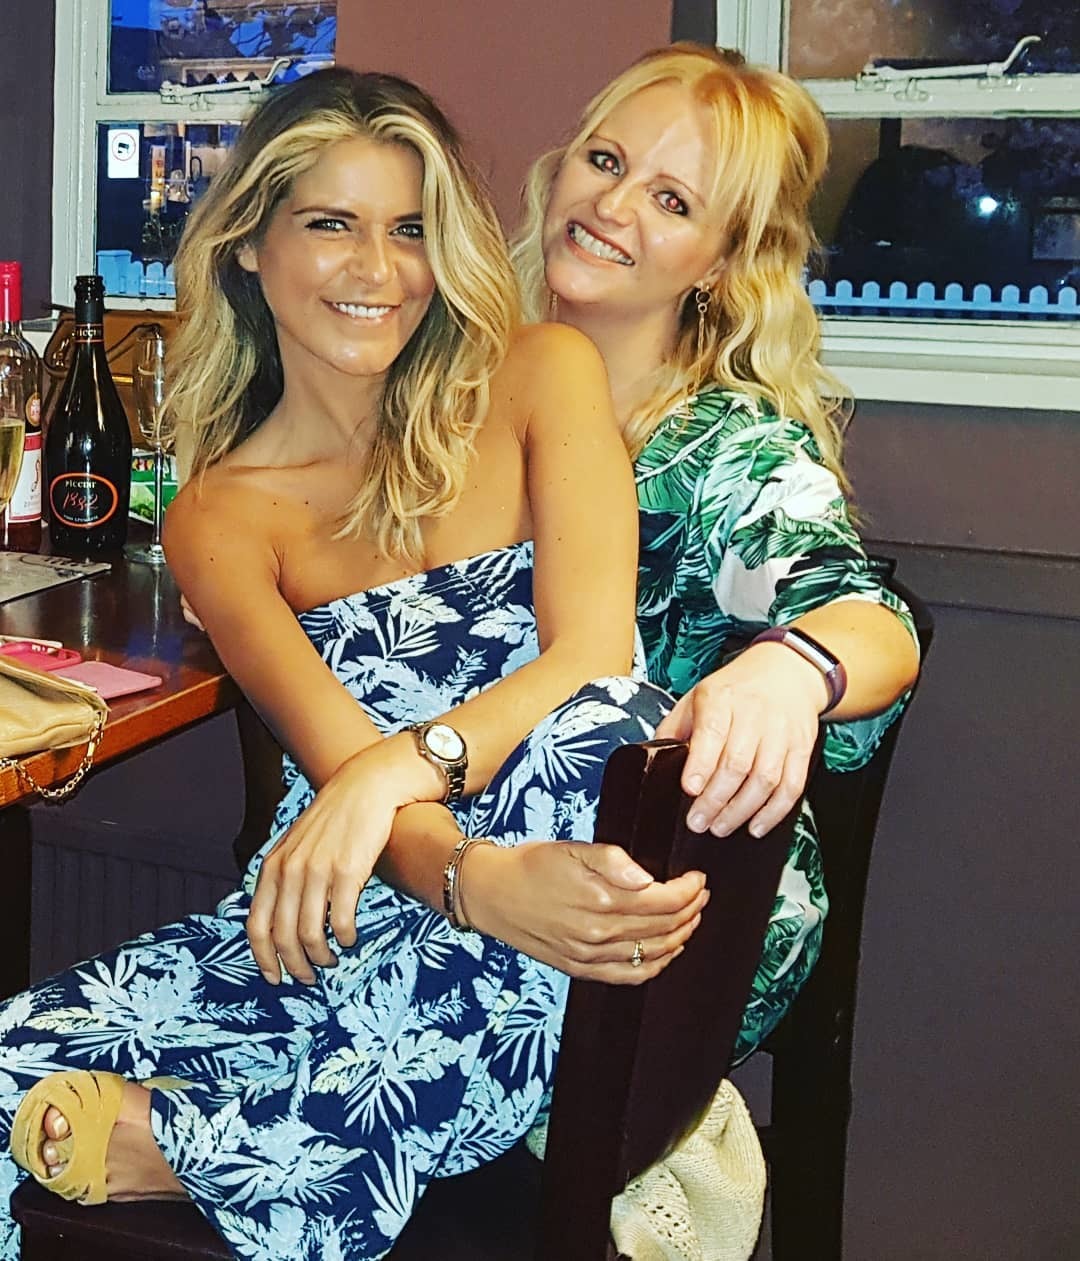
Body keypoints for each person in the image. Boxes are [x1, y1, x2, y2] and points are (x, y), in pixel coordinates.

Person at [0, 69, 699, 1260]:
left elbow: (590, 654)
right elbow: (337, 771)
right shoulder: (222, 513)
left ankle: (217, 1146)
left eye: (410, 229)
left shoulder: (542, 373)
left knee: (604, 720)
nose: (379, 270)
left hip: (544, 858)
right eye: (332, 223)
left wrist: (395, 775)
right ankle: (283, 1141)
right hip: (358, 901)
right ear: (250, 244)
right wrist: (467, 875)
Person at [509, 42, 921, 1059]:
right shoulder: (464, 391)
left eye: (672, 201)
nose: (612, 207)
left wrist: (793, 667)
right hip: (471, 863)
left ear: (723, 263)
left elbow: (874, 624)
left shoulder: (725, 451)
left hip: (655, 922)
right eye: (605, 161)